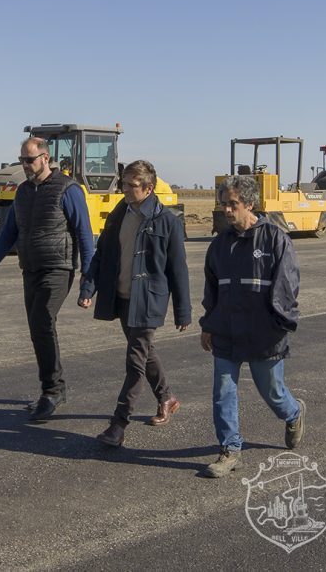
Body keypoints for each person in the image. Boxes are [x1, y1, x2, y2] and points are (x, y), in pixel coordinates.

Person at [78, 160, 191, 447]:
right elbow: (101, 255)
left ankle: (118, 424)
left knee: (135, 361)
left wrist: (183, 310)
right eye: (123, 183)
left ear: (149, 188)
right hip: (122, 297)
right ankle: (167, 397)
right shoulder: (119, 213)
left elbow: (178, 269)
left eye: (131, 185)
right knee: (145, 352)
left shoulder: (167, 222)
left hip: (148, 300)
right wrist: (88, 287)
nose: (125, 189)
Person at [198, 175, 306, 478]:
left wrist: (279, 324)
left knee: (272, 392)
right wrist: (208, 324)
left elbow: (287, 287)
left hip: (264, 334)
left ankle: (294, 413)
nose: (228, 211)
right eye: (224, 205)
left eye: (233, 205)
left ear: (250, 204)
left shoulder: (275, 239)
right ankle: (230, 450)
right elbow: (212, 290)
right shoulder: (219, 245)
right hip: (226, 331)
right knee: (223, 391)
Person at [0, 137, 94, 422]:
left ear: (45, 158)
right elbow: (9, 231)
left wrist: (88, 281)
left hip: (58, 267)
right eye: (22, 160)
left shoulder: (68, 189)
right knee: (36, 326)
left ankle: (52, 391)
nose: (25, 165)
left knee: (43, 320)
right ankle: (53, 388)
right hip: (29, 268)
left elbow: (84, 235)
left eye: (29, 160)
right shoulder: (22, 193)